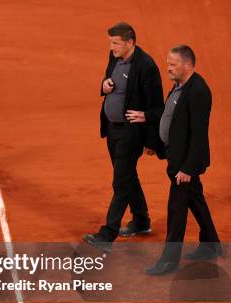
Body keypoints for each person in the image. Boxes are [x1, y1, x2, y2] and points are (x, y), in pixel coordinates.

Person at [139, 45, 221, 275]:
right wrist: (156, 144)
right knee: (195, 199)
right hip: (176, 156)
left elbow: (198, 134)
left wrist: (187, 169)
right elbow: (170, 119)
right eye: (168, 63)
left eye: (172, 64)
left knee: (176, 209)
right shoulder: (179, 86)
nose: (168, 68)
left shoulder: (198, 92)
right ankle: (211, 245)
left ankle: (169, 261)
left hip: (185, 163)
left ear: (187, 65)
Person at [83, 22, 164, 252]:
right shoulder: (114, 56)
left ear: (130, 42)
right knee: (127, 176)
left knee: (121, 182)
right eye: (111, 42)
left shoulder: (146, 66)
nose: (112, 47)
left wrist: (150, 140)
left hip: (131, 133)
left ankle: (107, 235)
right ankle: (141, 220)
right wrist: (104, 85)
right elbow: (110, 79)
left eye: (116, 43)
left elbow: (157, 106)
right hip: (112, 129)